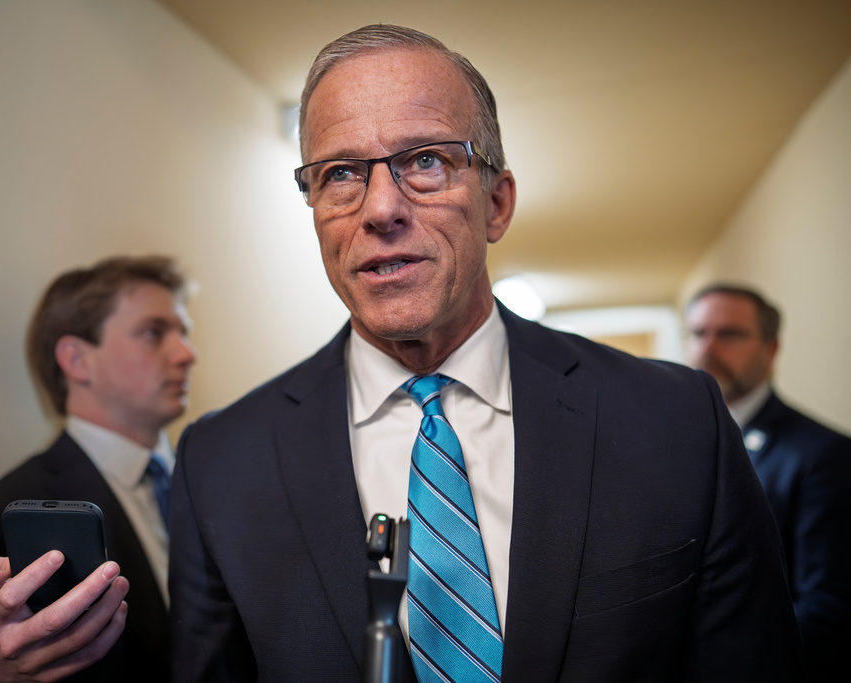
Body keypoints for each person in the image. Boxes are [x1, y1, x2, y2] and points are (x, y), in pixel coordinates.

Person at [168, 24, 802, 682]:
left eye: (425, 162)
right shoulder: (220, 464)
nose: (381, 208)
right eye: (341, 174)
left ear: (496, 204)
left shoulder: (676, 421)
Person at [0, 255, 196, 682]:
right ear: (76, 359)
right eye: (153, 333)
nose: (187, 354)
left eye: (184, 332)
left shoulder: (214, 489)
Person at [686, 283, 851, 681]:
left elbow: (824, 609)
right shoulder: (672, 444)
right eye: (698, 333)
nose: (708, 347)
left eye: (729, 334)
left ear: (771, 348)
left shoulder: (822, 454)